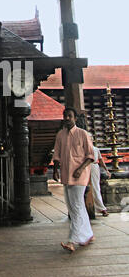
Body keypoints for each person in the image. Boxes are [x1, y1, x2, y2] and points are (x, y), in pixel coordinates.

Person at [53, 107, 95, 253]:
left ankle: (73, 240)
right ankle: (88, 234)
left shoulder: (83, 134)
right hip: (66, 173)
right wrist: (55, 170)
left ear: (75, 118)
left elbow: (90, 156)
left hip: (79, 175)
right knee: (73, 206)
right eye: (65, 116)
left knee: (76, 206)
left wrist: (80, 169)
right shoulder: (60, 135)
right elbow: (57, 154)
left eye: (70, 116)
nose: (67, 118)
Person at [89, 134, 111, 217]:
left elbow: (101, 160)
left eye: (90, 138)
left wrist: (106, 170)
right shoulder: (83, 149)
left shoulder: (95, 149)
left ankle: (102, 208)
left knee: (95, 187)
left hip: (93, 167)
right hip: (85, 168)